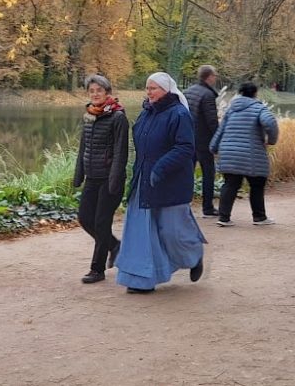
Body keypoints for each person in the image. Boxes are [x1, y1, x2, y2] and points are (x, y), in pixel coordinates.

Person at [115, 72, 206, 294]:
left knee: (172, 231)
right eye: (147, 88)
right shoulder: (147, 114)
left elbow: (185, 148)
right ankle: (140, 279)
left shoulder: (179, 114)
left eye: (153, 88)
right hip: (144, 181)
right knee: (140, 230)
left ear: (167, 90)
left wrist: (161, 167)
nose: (149, 92)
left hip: (170, 182)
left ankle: (194, 257)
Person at [72, 74, 129, 284]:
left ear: (108, 93)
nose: (95, 94)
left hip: (110, 179)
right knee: (85, 218)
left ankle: (97, 269)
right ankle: (114, 246)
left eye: (99, 91)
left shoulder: (118, 117)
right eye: (91, 91)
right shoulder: (89, 115)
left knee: (101, 222)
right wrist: (79, 174)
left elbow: (121, 152)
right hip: (92, 177)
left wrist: (114, 179)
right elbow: (82, 148)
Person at [209, 82, 280, 227]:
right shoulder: (259, 108)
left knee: (230, 184)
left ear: (240, 93)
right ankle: (259, 217)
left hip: (228, 153)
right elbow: (270, 122)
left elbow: (221, 130)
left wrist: (213, 147)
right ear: (255, 93)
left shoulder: (231, 110)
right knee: (257, 184)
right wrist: (271, 140)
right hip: (251, 154)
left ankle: (224, 218)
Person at [185, 65, 220, 217]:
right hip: (203, 141)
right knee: (208, 174)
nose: (216, 77)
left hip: (188, 139)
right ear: (209, 77)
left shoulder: (188, 91)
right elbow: (212, 121)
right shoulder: (207, 95)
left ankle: (183, 206)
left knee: (187, 173)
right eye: (214, 75)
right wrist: (219, 140)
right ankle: (208, 208)